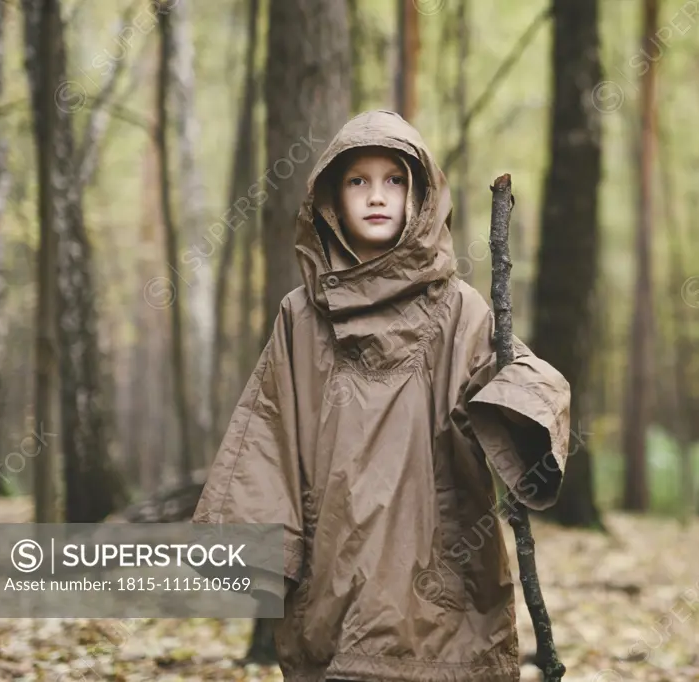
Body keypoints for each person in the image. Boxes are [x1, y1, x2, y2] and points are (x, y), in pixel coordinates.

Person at [192, 109, 572, 682]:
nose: (377, 196)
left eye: (394, 180)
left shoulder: (460, 308)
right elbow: (269, 432)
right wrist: (259, 552)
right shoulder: (300, 316)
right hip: (333, 572)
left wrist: (520, 404)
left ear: (419, 195)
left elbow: (514, 386)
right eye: (357, 181)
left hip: (442, 575)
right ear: (330, 198)